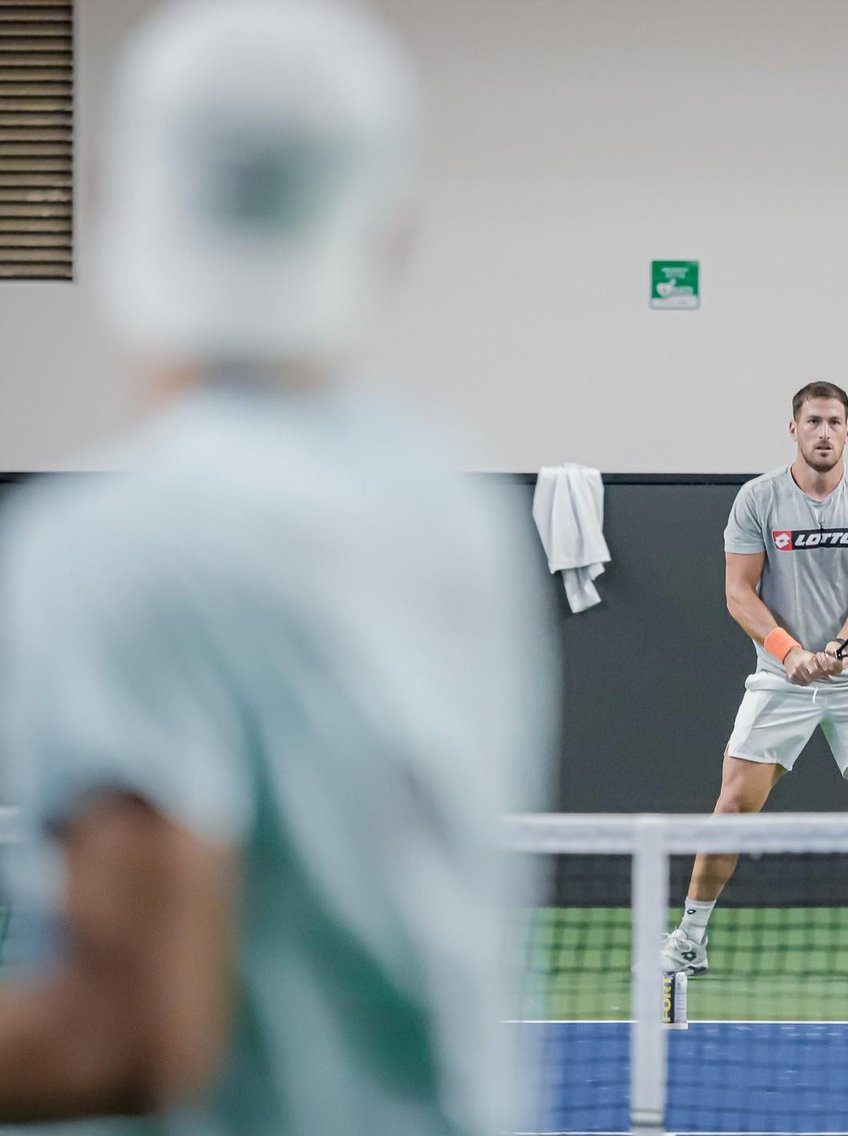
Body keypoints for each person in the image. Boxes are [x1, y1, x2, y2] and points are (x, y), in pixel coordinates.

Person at [0, 2, 554, 1132]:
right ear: (389, 231)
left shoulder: (116, 548)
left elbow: (125, 1032)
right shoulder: (455, 509)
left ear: (113, 201)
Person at [660, 382, 848, 984]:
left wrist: (837, 646)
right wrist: (789, 652)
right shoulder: (757, 499)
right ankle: (691, 937)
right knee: (732, 806)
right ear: (793, 429)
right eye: (813, 421)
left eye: (834, 422)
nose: (823, 432)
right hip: (781, 677)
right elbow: (738, 592)